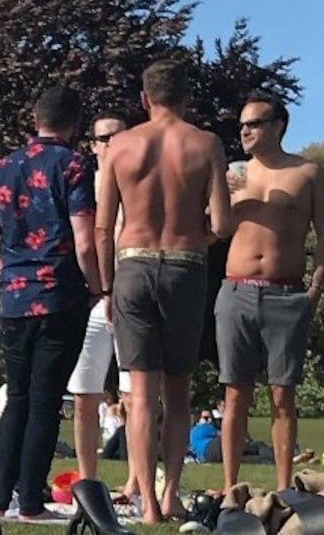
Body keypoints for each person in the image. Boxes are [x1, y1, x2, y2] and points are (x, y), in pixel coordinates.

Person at [95, 59, 233, 524]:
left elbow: (100, 226)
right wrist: (198, 232)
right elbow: (224, 222)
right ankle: (171, 492)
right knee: (178, 393)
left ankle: (148, 505)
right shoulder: (205, 143)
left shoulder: (121, 145)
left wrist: (106, 287)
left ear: (144, 99)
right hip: (185, 265)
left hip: (131, 264)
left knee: (139, 391)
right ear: (187, 97)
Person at [0, 86, 102, 521]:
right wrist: (99, 285)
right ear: (75, 122)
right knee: (47, 401)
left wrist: (14, 247)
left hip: (13, 296)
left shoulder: (1, 168)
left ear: (34, 119)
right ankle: (31, 500)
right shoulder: (74, 166)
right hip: (59, 294)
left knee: (18, 397)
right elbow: (85, 240)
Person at [217, 92, 324, 492]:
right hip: (236, 290)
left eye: (253, 124)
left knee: (283, 395)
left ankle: (285, 489)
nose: (245, 131)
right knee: (235, 393)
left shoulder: (308, 172)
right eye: (242, 126)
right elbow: (214, 228)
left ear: (277, 125)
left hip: (287, 294)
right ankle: (232, 487)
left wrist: (315, 287)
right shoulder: (236, 173)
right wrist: (226, 201)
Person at [66, 111, 128, 482]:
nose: (112, 144)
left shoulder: (139, 183)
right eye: (104, 138)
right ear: (92, 145)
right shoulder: (83, 186)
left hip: (129, 294)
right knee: (85, 396)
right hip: (90, 299)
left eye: (119, 136)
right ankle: (88, 480)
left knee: (136, 398)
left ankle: (137, 479)